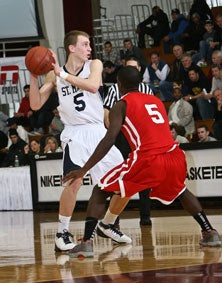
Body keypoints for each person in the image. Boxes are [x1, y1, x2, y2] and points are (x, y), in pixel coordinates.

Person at [63, 66, 221, 258]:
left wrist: (83, 169)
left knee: (100, 189)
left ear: (119, 85)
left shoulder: (120, 105)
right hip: (174, 156)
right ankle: (209, 231)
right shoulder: (156, 100)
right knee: (181, 190)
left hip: (148, 158)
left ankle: (86, 243)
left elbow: (109, 139)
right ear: (140, 83)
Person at [29, 30, 124, 252]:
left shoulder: (95, 65)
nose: (89, 48)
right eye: (84, 44)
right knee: (75, 181)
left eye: (89, 44)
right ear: (72, 48)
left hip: (97, 131)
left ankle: (108, 224)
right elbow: (35, 104)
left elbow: (92, 86)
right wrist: (34, 75)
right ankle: (62, 232)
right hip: (75, 133)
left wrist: (61, 74)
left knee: (124, 183)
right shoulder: (54, 75)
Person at [104, 56, 153, 226]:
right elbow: (106, 113)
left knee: (144, 178)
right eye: (128, 67)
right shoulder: (114, 91)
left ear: (139, 70)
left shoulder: (147, 89)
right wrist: (114, 131)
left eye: (134, 67)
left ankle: (145, 217)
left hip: (141, 139)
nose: (131, 70)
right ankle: (113, 220)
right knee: (120, 178)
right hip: (121, 138)